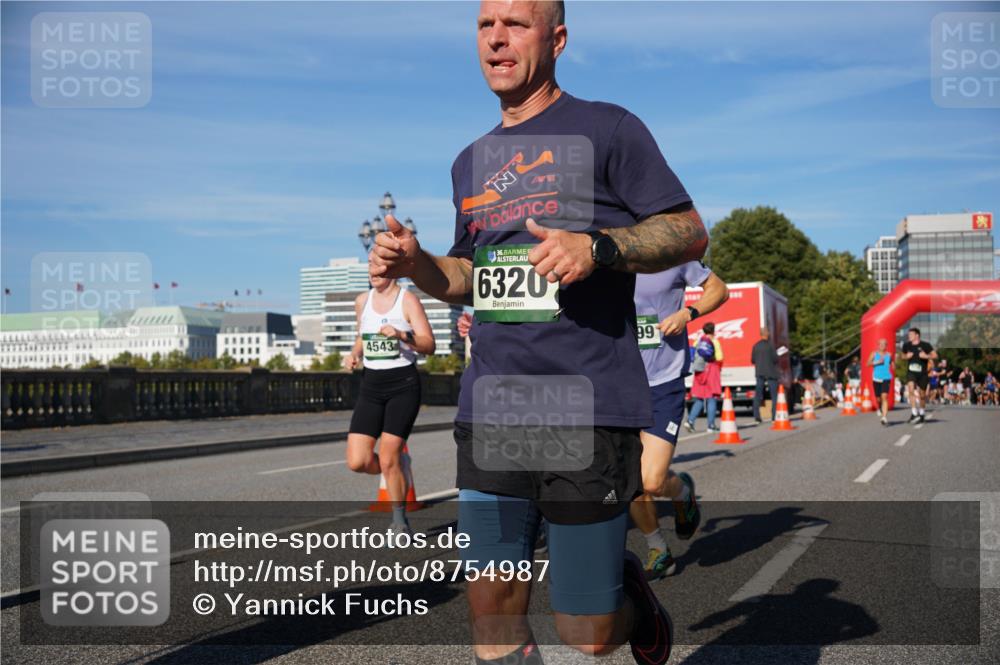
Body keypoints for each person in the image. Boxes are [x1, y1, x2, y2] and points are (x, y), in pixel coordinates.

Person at [368, 2, 708, 662]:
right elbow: (467, 273)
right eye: (484, 25)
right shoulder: (471, 161)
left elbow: (690, 231)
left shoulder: (608, 129)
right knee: (491, 610)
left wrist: (599, 250)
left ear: (556, 39)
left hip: (588, 411)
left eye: (515, 24)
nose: (496, 38)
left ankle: (631, 605)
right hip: (495, 407)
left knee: (589, 633)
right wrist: (418, 265)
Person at [632, 264, 726, 580]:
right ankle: (659, 551)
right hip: (616, 383)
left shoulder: (672, 255)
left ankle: (681, 492)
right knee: (627, 479)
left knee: (651, 481)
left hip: (662, 381)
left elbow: (719, 289)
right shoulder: (601, 254)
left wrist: (688, 313)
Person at [344, 275, 436, 534]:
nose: (373, 270)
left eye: (380, 265)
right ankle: (399, 465)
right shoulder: (362, 301)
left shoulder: (407, 300)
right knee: (357, 461)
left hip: (403, 384)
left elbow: (429, 344)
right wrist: (354, 354)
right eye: (371, 264)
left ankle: (399, 522)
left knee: (388, 457)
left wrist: (401, 334)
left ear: (392, 270)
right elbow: (362, 336)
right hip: (371, 385)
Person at [685, 322, 724, 433]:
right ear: (713, 330)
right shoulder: (714, 341)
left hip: (699, 372)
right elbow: (720, 357)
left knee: (700, 398)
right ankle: (710, 425)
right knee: (712, 398)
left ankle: (690, 421)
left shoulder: (698, 341)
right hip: (711, 370)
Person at [901, 327, 936, 424]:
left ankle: (921, 413)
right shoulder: (906, 345)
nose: (909, 336)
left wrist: (926, 356)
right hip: (911, 372)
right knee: (911, 390)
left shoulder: (925, 345)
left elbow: (935, 355)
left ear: (917, 335)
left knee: (922, 395)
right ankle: (914, 412)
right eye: (909, 335)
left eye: (911, 335)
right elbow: (902, 356)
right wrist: (906, 356)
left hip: (923, 374)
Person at [751, 327, 780, 423]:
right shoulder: (770, 346)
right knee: (774, 395)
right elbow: (775, 359)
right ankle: (774, 416)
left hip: (759, 372)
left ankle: (757, 416)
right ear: (766, 334)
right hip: (771, 373)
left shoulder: (756, 346)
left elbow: (753, 360)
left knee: (758, 394)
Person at [868, 338, 893, 426]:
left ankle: (884, 417)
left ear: (886, 346)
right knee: (878, 398)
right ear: (878, 345)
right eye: (881, 344)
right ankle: (879, 407)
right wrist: (877, 362)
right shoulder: (874, 354)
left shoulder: (889, 355)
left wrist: (893, 366)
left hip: (886, 377)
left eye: (884, 344)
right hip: (876, 378)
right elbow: (868, 363)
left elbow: (892, 364)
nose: (883, 346)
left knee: (884, 397)